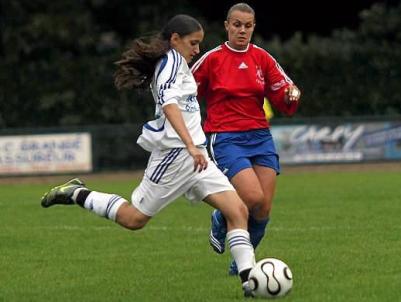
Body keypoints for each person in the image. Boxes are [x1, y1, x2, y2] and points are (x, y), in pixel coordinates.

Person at [40, 14, 256, 296]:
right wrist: (189, 144)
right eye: (193, 43)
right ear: (175, 40)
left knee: (237, 210)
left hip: (196, 156)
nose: (197, 50)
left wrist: (195, 147)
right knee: (134, 219)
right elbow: (169, 104)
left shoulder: (179, 63)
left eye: (199, 44)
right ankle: (75, 193)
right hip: (175, 156)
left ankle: (251, 282)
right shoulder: (170, 63)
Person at [191, 3, 301, 275]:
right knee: (251, 196)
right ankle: (220, 216)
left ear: (253, 28)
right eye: (237, 24)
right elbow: (186, 93)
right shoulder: (212, 59)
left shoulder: (262, 57)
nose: (242, 30)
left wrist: (290, 94)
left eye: (248, 25)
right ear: (227, 25)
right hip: (226, 137)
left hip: (260, 136)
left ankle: (241, 265)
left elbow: (283, 88)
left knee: (263, 208)